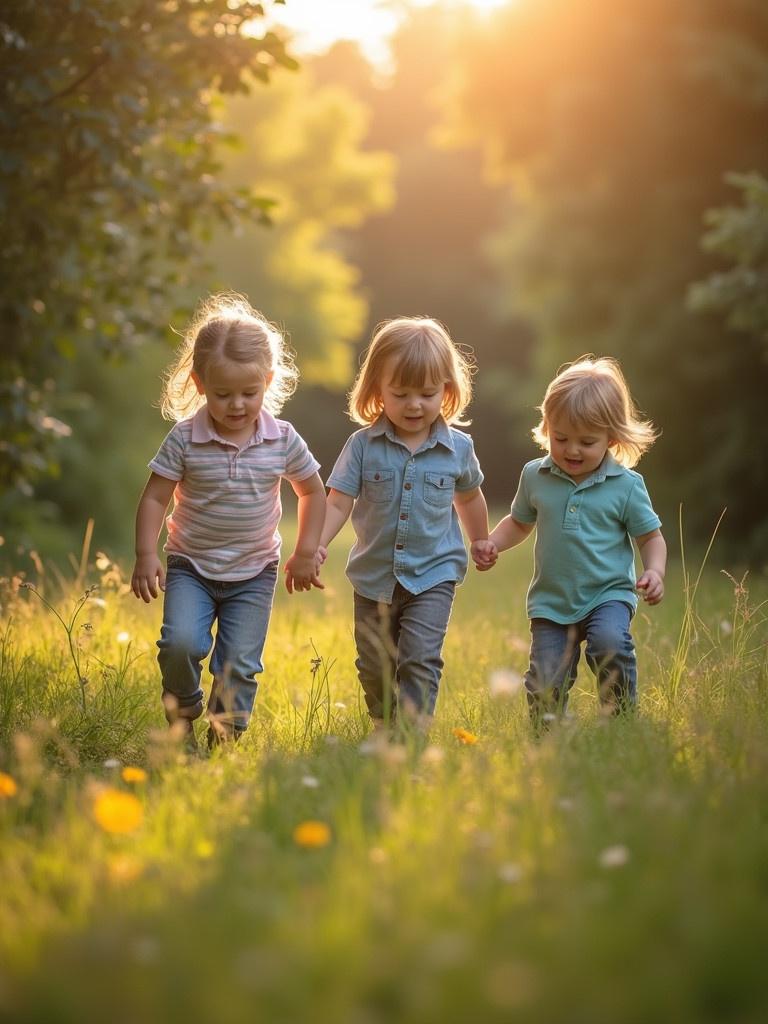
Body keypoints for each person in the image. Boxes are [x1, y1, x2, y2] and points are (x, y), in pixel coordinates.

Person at [131, 294, 325, 747]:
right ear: (199, 384)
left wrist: (305, 550)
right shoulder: (184, 439)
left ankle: (224, 738)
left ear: (268, 381)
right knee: (180, 644)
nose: (236, 404)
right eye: (223, 394)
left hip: (255, 571)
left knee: (239, 662)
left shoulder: (282, 438)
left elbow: (312, 490)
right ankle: (183, 703)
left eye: (249, 393)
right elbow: (155, 497)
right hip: (190, 567)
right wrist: (145, 554)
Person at [474, 355, 666, 728]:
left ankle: (620, 718)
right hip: (552, 600)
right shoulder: (536, 475)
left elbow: (650, 536)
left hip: (607, 594)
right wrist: (493, 542)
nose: (572, 450)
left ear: (612, 438)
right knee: (546, 678)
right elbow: (519, 521)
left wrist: (655, 570)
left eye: (586, 442)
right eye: (561, 438)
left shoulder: (626, 486)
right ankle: (546, 736)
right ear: (547, 427)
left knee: (610, 644)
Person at [319, 316, 490, 730]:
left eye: (428, 394)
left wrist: (481, 539)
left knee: (419, 656)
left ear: (446, 390)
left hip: (434, 573)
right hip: (374, 575)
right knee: (374, 661)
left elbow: (469, 496)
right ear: (377, 390)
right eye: (401, 393)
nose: (415, 404)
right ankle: (384, 723)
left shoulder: (458, 448)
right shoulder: (362, 445)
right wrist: (316, 544)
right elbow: (339, 501)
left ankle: (413, 734)